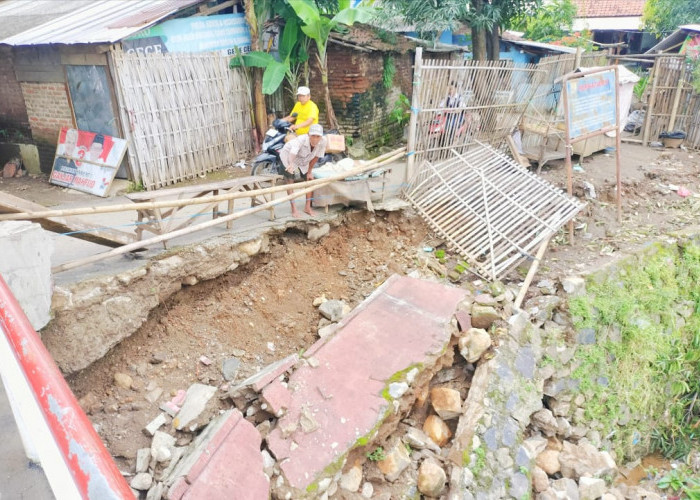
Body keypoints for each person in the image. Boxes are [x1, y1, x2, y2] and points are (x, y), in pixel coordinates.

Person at [279, 123, 327, 217]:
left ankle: (307, 207)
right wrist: (290, 165)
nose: (315, 139)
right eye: (313, 136)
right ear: (308, 134)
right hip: (288, 157)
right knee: (290, 182)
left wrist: (309, 172)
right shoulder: (301, 140)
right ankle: (294, 209)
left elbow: (317, 156)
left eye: (318, 136)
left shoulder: (323, 141)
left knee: (309, 181)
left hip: (304, 159)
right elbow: (292, 153)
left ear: (321, 136)